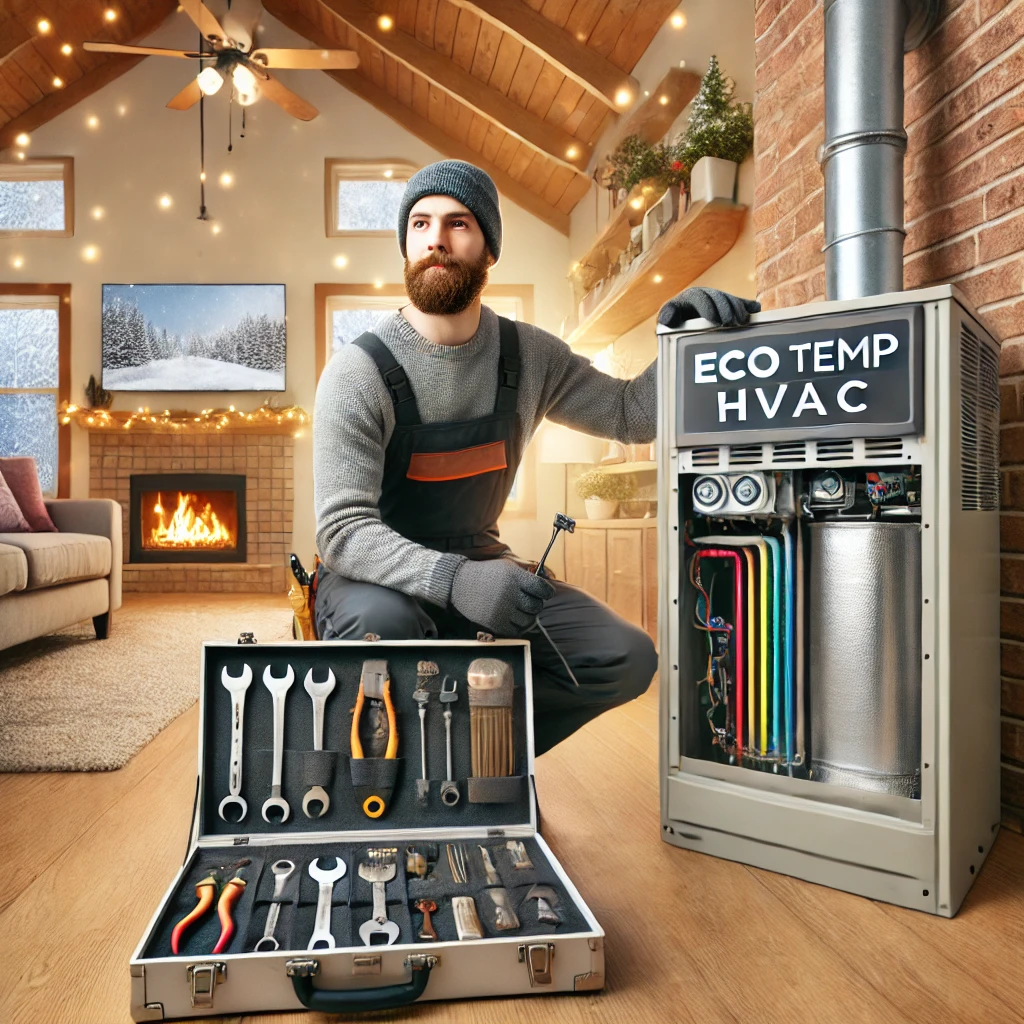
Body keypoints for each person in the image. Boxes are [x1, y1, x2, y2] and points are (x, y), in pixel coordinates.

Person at [313, 159, 758, 755]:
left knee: (624, 658)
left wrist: (680, 340)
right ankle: (400, 775)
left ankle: (468, 750)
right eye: (419, 224)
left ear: (489, 249)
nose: (436, 240)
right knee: (386, 631)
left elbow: (631, 414)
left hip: (481, 558)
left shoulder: (529, 357)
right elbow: (341, 532)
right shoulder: (358, 372)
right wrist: (454, 581)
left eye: (458, 223)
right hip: (372, 577)